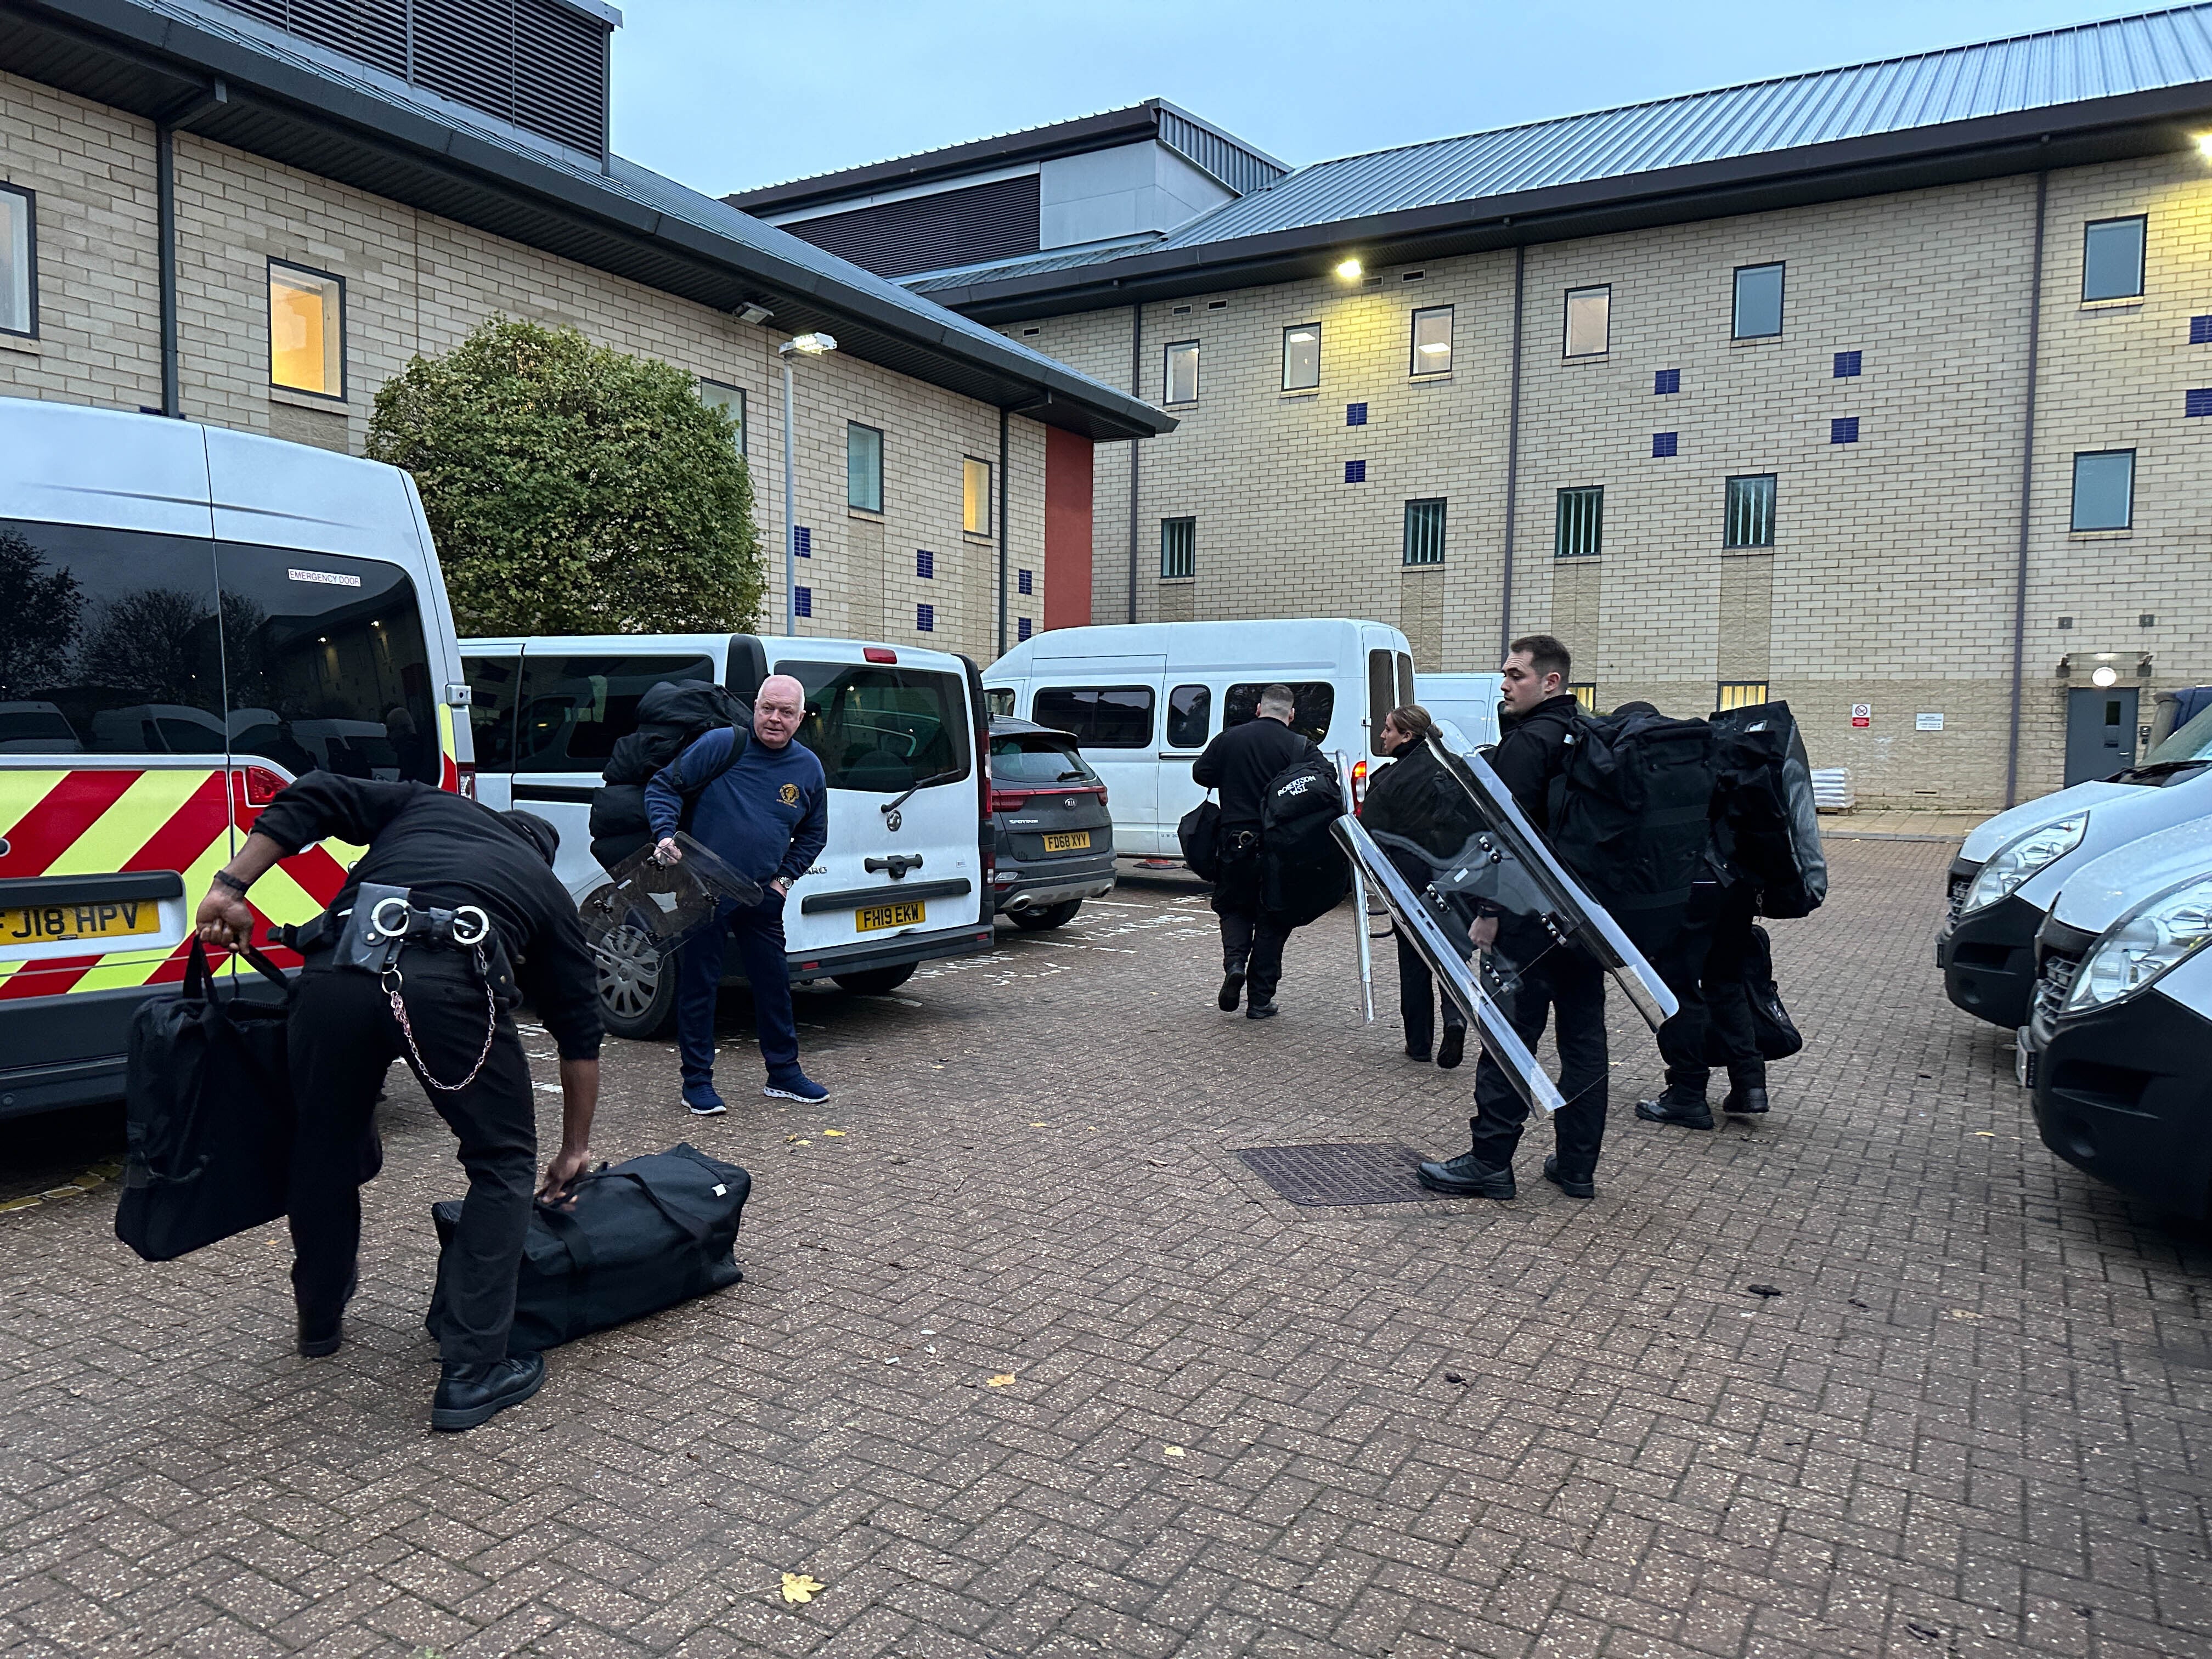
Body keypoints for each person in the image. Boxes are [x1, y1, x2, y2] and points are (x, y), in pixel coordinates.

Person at [191, 776, 601, 1433]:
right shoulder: (546, 890)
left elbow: (317, 793)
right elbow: (581, 1030)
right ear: (541, 854)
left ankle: (319, 1320)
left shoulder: (430, 806)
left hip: (335, 974)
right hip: (448, 985)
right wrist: (574, 1147)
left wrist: (230, 886)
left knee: (322, 1142)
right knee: (501, 1162)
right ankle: (472, 1373)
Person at [1417, 634, 1609, 1202]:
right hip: (1583, 922)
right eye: (1505, 673)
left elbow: (1506, 837)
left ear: (1550, 680)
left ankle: (1490, 1162)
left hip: (1529, 922)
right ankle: (1577, 1167)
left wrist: (1489, 913)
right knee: (1583, 1043)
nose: (1505, 684)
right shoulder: (1587, 733)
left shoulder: (1531, 743)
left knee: (1507, 1038)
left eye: (1516, 674)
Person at [647, 672, 830, 1110]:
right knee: (699, 987)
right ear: (755, 707)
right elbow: (663, 786)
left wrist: (782, 882)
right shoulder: (721, 745)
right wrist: (665, 834)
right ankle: (697, 1082)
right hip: (703, 888)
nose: (775, 719)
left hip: (760, 897)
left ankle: (784, 1074)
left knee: (773, 985)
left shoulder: (808, 768)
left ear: (801, 718)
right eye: (768, 708)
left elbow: (814, 834)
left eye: (786, 712)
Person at [1191, 683, 1317, 1019]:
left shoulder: (1229, 738)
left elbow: (1201, 775)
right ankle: (1260, 1001)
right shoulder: (1300, 745)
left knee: (1233, 908)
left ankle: (1234, 965)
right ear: (1291, 715)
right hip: (1280, 846)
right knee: (1273, 918)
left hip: (1234, 841)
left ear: (1259, 709)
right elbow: (1323, 784)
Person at [1358, 703, 1467, 1068]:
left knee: (1415, 962)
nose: (1382, 735)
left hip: (1409, 881)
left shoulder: (1391, 779)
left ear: (1407, 735)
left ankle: (1419, 1044)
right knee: (1453, 955)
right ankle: (1455, 1017)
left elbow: (1370, 834)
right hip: (1454, 879)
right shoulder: (1452, 768)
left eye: (1388, 729)